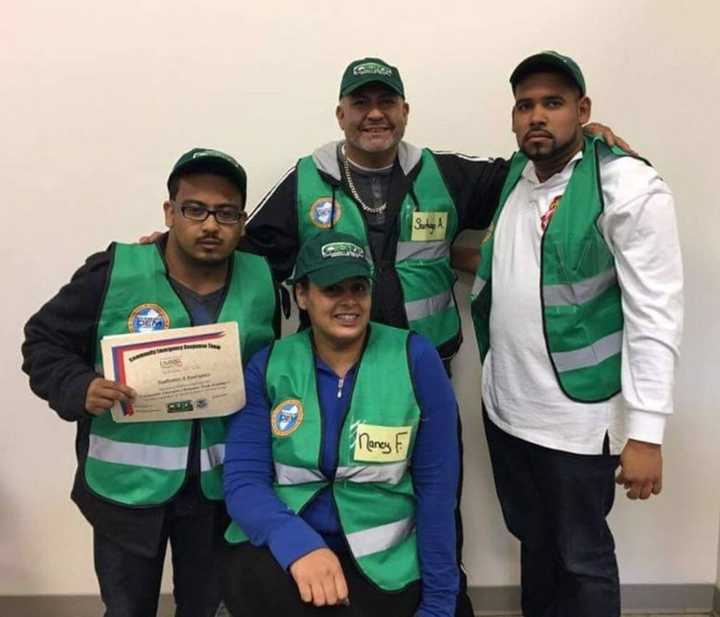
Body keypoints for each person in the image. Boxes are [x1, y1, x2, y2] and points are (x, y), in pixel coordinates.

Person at [240, 57, 627, 615]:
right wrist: (174, 245)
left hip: (422, 374)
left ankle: (444, 600)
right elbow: (245, 249)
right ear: (341, 114)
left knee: (435, 497)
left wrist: (583, 137)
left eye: (386, 102)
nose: (374, 114)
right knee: (337, 487)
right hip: (329, 374)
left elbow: (526, 167)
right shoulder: (305, 178)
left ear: (404, 111)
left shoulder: (444, 173)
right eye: (361, 104)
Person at [465, 51, 683, 616]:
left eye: (553, 104)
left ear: (583, 111)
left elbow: (656, 312)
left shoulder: (628, 185)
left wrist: (647, 433)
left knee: (582, 558)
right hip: (508, 411)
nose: (537, 116)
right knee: (535, 546)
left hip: (580, 424)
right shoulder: (517, 173)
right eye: (525, 105)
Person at [21, 148, 277, 617]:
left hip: (217, 491)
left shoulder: (263, 279)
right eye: (194, 209)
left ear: (241, 221)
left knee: (205, 607)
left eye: (225, 213)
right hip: (126, 490)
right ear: (169, 212)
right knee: (127, 609)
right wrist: (79, 388)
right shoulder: (115, 272)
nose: (210, 225)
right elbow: (43, 340)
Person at [221, 231, 461, 617]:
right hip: (291, 550)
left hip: (386, 567)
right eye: (332, 289)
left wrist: (438, 604)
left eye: (359, 288)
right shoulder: (268, 366)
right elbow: (243, 483)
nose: (349, 301)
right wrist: (298, 545)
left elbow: (437, 491)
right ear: (302, 295)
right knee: (249, 580)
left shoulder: (416, 358)